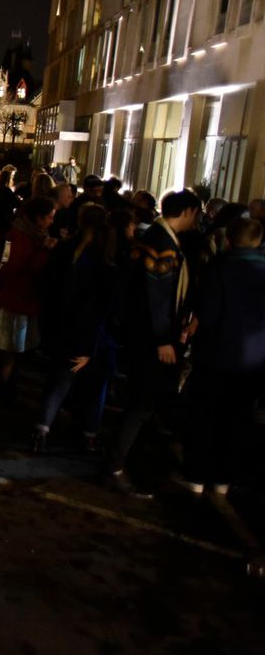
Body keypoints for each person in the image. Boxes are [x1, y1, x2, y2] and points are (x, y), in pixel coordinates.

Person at [105, 189, 202, 497]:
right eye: (195, 215)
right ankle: (116, 466)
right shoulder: (162, 243)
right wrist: (164, 338)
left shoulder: (153, 237)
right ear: (186, 212)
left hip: (141, 334)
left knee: (142, 402)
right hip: (150, 338)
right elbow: (157, 296)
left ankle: (122, 461)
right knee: (142, 403)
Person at [182, 217, 265, 494]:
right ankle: (223, 478)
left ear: (228, 239)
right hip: (253, 360)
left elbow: (208, 312)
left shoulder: (218, 268)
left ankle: (196, 474)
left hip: (215, 355)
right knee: (237, 421)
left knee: (205, 416)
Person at [33, 204, 121, 452]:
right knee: (93, 388)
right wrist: (90, 346)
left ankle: (42, 429)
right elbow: (101, 308)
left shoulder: (65, 250)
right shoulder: (106, 259)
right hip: (90, 335)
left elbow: (46, 289)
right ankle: (88, 434)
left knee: (57, 382)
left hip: (61, 328)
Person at [0, 197, 57, 403]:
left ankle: (8, 385)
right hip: (19, 297)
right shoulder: (22, 236)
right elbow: (12, 266)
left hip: (25, 297)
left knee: (18, 347)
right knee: (12, 347)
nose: (51, 222)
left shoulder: (35, 235)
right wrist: (45, 252)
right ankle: (6, 388)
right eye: (49, 217)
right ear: (38, 217)